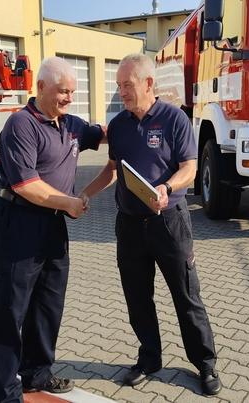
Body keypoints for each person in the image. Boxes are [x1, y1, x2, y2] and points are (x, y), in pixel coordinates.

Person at [80, 53, 221, 396]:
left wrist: (167, 187)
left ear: (148, 83)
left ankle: (205, 363)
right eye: (119, 86)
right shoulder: (119, 125)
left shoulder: (174, 119)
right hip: (129, 225)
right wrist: (84, 194)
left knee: (186, 295)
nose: (122, 93)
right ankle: (149, 358)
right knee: (137, 297)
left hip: (169, 223)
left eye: (127, 86)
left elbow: (189, 168)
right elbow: (112, 169)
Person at [0, 56, 105, 403]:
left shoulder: (71, 125)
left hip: (53, 227)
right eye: (61, 91)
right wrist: (69, 203)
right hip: (18, 224)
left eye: (72, 92)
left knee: (48, 305)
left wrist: (148, 119)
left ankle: (37, 375)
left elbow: (108, 133)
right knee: (12, 310)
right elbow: (26, 185)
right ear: (40, 88)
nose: (68, 98)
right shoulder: (20, 126)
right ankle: (7, 392)